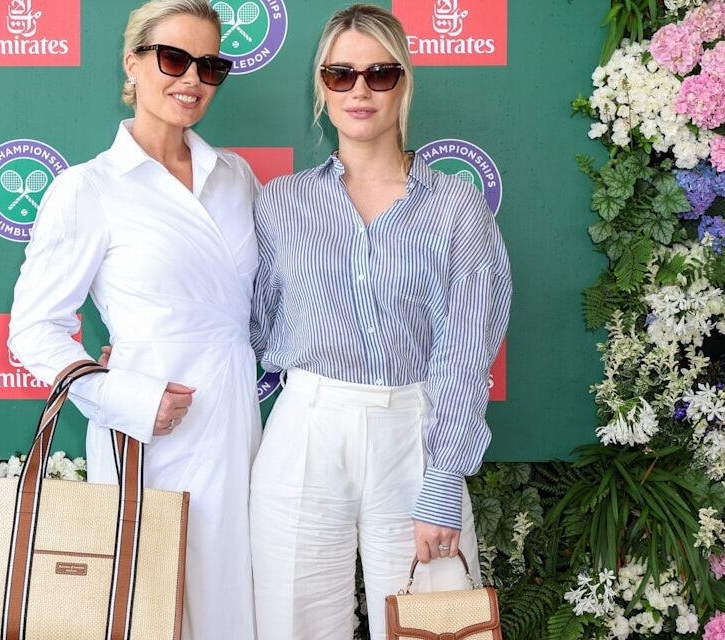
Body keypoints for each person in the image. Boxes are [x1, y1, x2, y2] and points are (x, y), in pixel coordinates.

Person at [247, 5, 512, 639]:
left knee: (435, 624)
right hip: (305, 429)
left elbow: (466, 349)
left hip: (415, 433)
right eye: (340, 74)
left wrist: (443, 478)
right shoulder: (282, 203)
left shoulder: (455, 205)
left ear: (403, 82)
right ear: (322, 86)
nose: (359, 90)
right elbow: (251, 322)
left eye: (379, 73)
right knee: (291, 627)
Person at [7, 1, 260, 637]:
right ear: (133, 63)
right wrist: (119, 394)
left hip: (237, 421)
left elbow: (257, 306)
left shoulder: (236, 177)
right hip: (147, 430)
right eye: (174, 58)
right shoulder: (88, 187)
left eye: (210, 65)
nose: (192, 79)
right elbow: (33, 329)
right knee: (147, 606)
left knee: (231, 601)